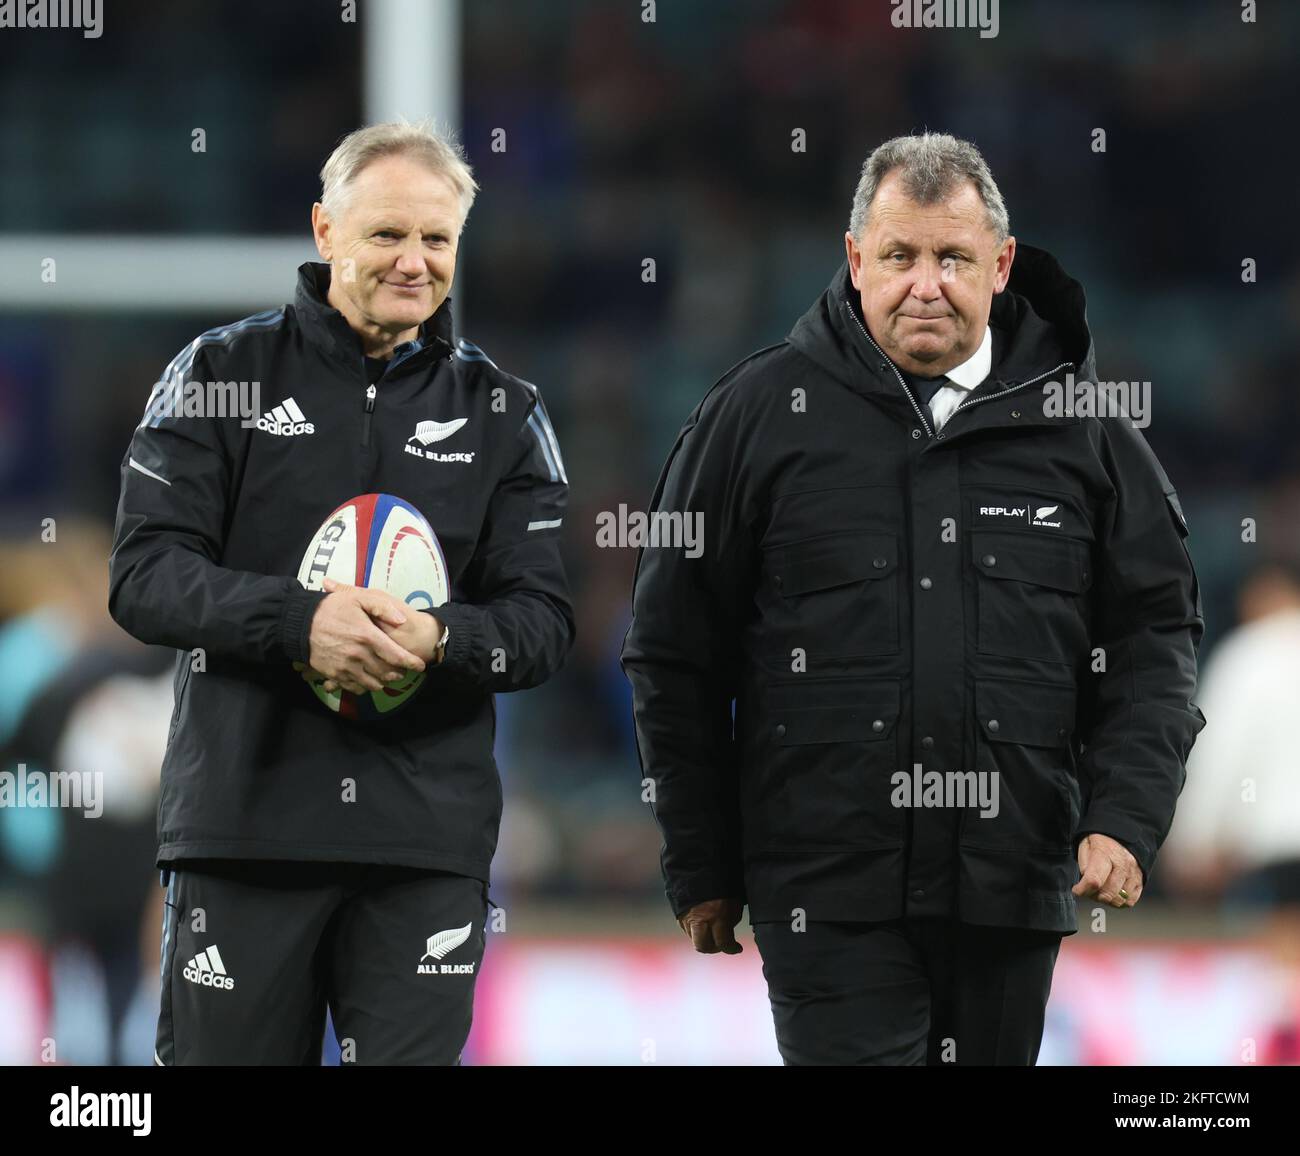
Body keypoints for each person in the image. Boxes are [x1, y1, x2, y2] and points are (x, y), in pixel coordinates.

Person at [622, 131, 1205, 1065]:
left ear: (1002, 266)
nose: (924, 283)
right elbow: (672, 652)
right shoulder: (754, 417)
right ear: (855, 259)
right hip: (825, 895)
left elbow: (1154, 640)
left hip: (1011, 888)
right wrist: (701, 862)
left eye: (953, 258)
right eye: (898, 256)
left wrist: (1124, 819)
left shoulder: (1088, 432)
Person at [109, 121, 574, 1065]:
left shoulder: (506, 413)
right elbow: (144, 575)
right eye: (386, 235)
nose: (414, 262)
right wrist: (298, 621)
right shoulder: (218, 377)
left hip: (421, 851)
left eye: (436, 240)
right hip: (246, 832)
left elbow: (545, 622)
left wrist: (440, 640)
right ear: (325, 231)